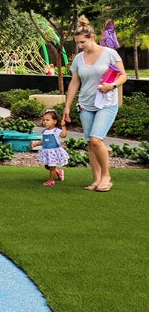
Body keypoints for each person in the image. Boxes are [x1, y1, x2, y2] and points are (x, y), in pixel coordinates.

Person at [62, 15, 126, 192]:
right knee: (90, 143)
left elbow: (123, 76)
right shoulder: (78, 59)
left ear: (92, 38)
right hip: (85, 105)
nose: (80, 46)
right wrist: (67, 106)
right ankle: (96, 179)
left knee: (97, 140)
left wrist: (111, 85)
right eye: (78, 43)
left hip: (106, 104)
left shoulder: (110, 53)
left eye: (82, 42)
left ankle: (106, 176)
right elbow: (75, 82)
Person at [31, 110, 69, 186]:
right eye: (44, 120)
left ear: (54, 121)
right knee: (47, 166)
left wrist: (63, 126)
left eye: (48, 120)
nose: (45, 122)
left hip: (53, 152)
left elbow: (63, 135)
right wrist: (36, 144)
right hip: (46, 151)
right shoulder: (44, 131)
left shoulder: (56, 131)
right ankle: (58, 172)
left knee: (51, 167)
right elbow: (43, 140)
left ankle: (51, 180)